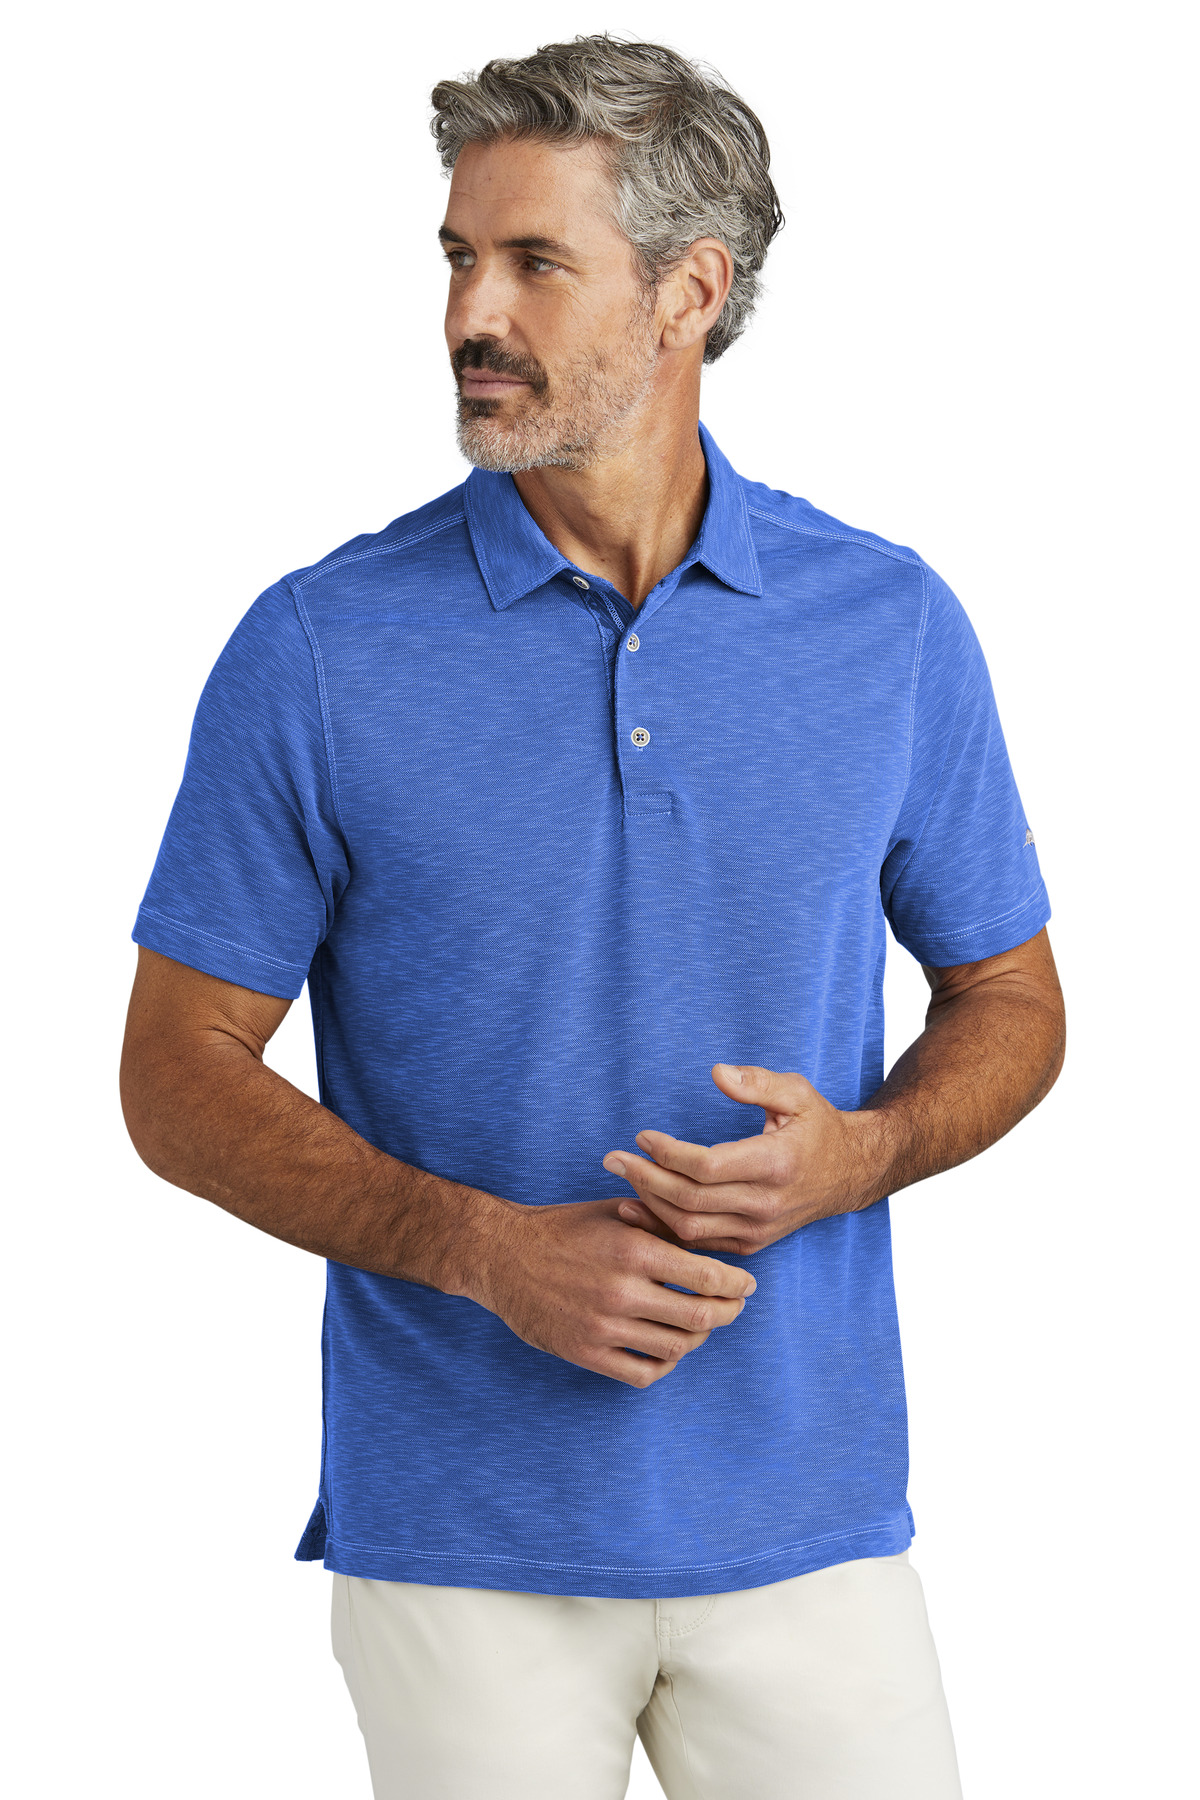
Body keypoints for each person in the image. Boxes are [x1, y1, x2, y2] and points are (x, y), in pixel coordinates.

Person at [120, 34, 1065, 1800]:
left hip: (810, 1524)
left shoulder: (888, 626)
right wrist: (487, 1251)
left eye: (534, 263)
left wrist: (864, 1152)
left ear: (690, 292)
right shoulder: (317, 646)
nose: (470, 314)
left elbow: (1011, 995)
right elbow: (174, 1075)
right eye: (457, 258)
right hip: (464, 1542)